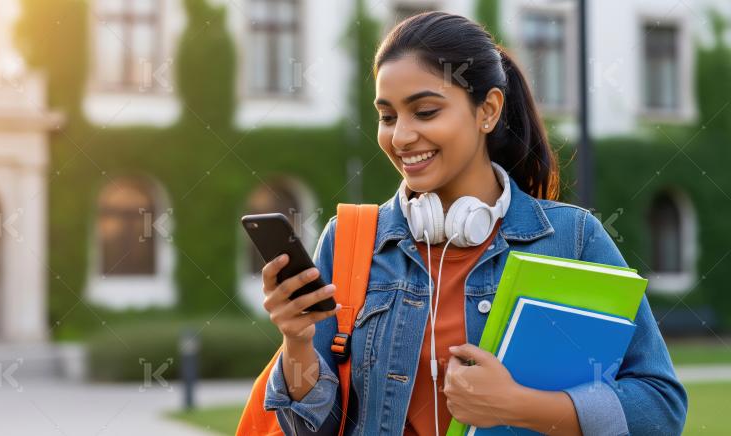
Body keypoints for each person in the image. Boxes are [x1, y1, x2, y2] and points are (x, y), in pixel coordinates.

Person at [260, 11, 687, 436]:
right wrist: (296, 342)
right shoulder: (351, 241)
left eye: (425, 112)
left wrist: (519, 406)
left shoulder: (571, 240)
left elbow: (661, 408)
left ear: (488, 110)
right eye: (387, 117)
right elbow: (311, 429)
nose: (401, 136)